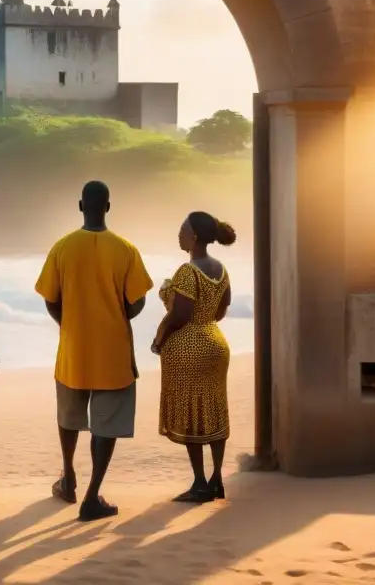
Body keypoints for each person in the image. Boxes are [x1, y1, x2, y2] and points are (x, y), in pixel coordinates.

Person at [35, 180, 153, 521]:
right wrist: (116, 316)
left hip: (74, 349)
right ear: (109, 206)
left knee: (69, 415)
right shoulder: (125, 249)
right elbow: (138, 300)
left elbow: (50, 298)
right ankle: (91, 496)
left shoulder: (62, 247)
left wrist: (68, 324)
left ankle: (68, 476)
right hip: (113, 352)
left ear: (80, 206)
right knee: (105, 424)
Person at [151, 211, 235, 503]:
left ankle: (199, 482)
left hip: (190, 348)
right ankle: (217, 479)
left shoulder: (187, 272)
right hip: (216, 344)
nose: (179, 234)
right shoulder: (221, 269)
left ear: (194, 236)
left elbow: (180, 315)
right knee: (213, 408)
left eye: (182, 229)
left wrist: (160, 338)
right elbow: (221, 310)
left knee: (192, 413)